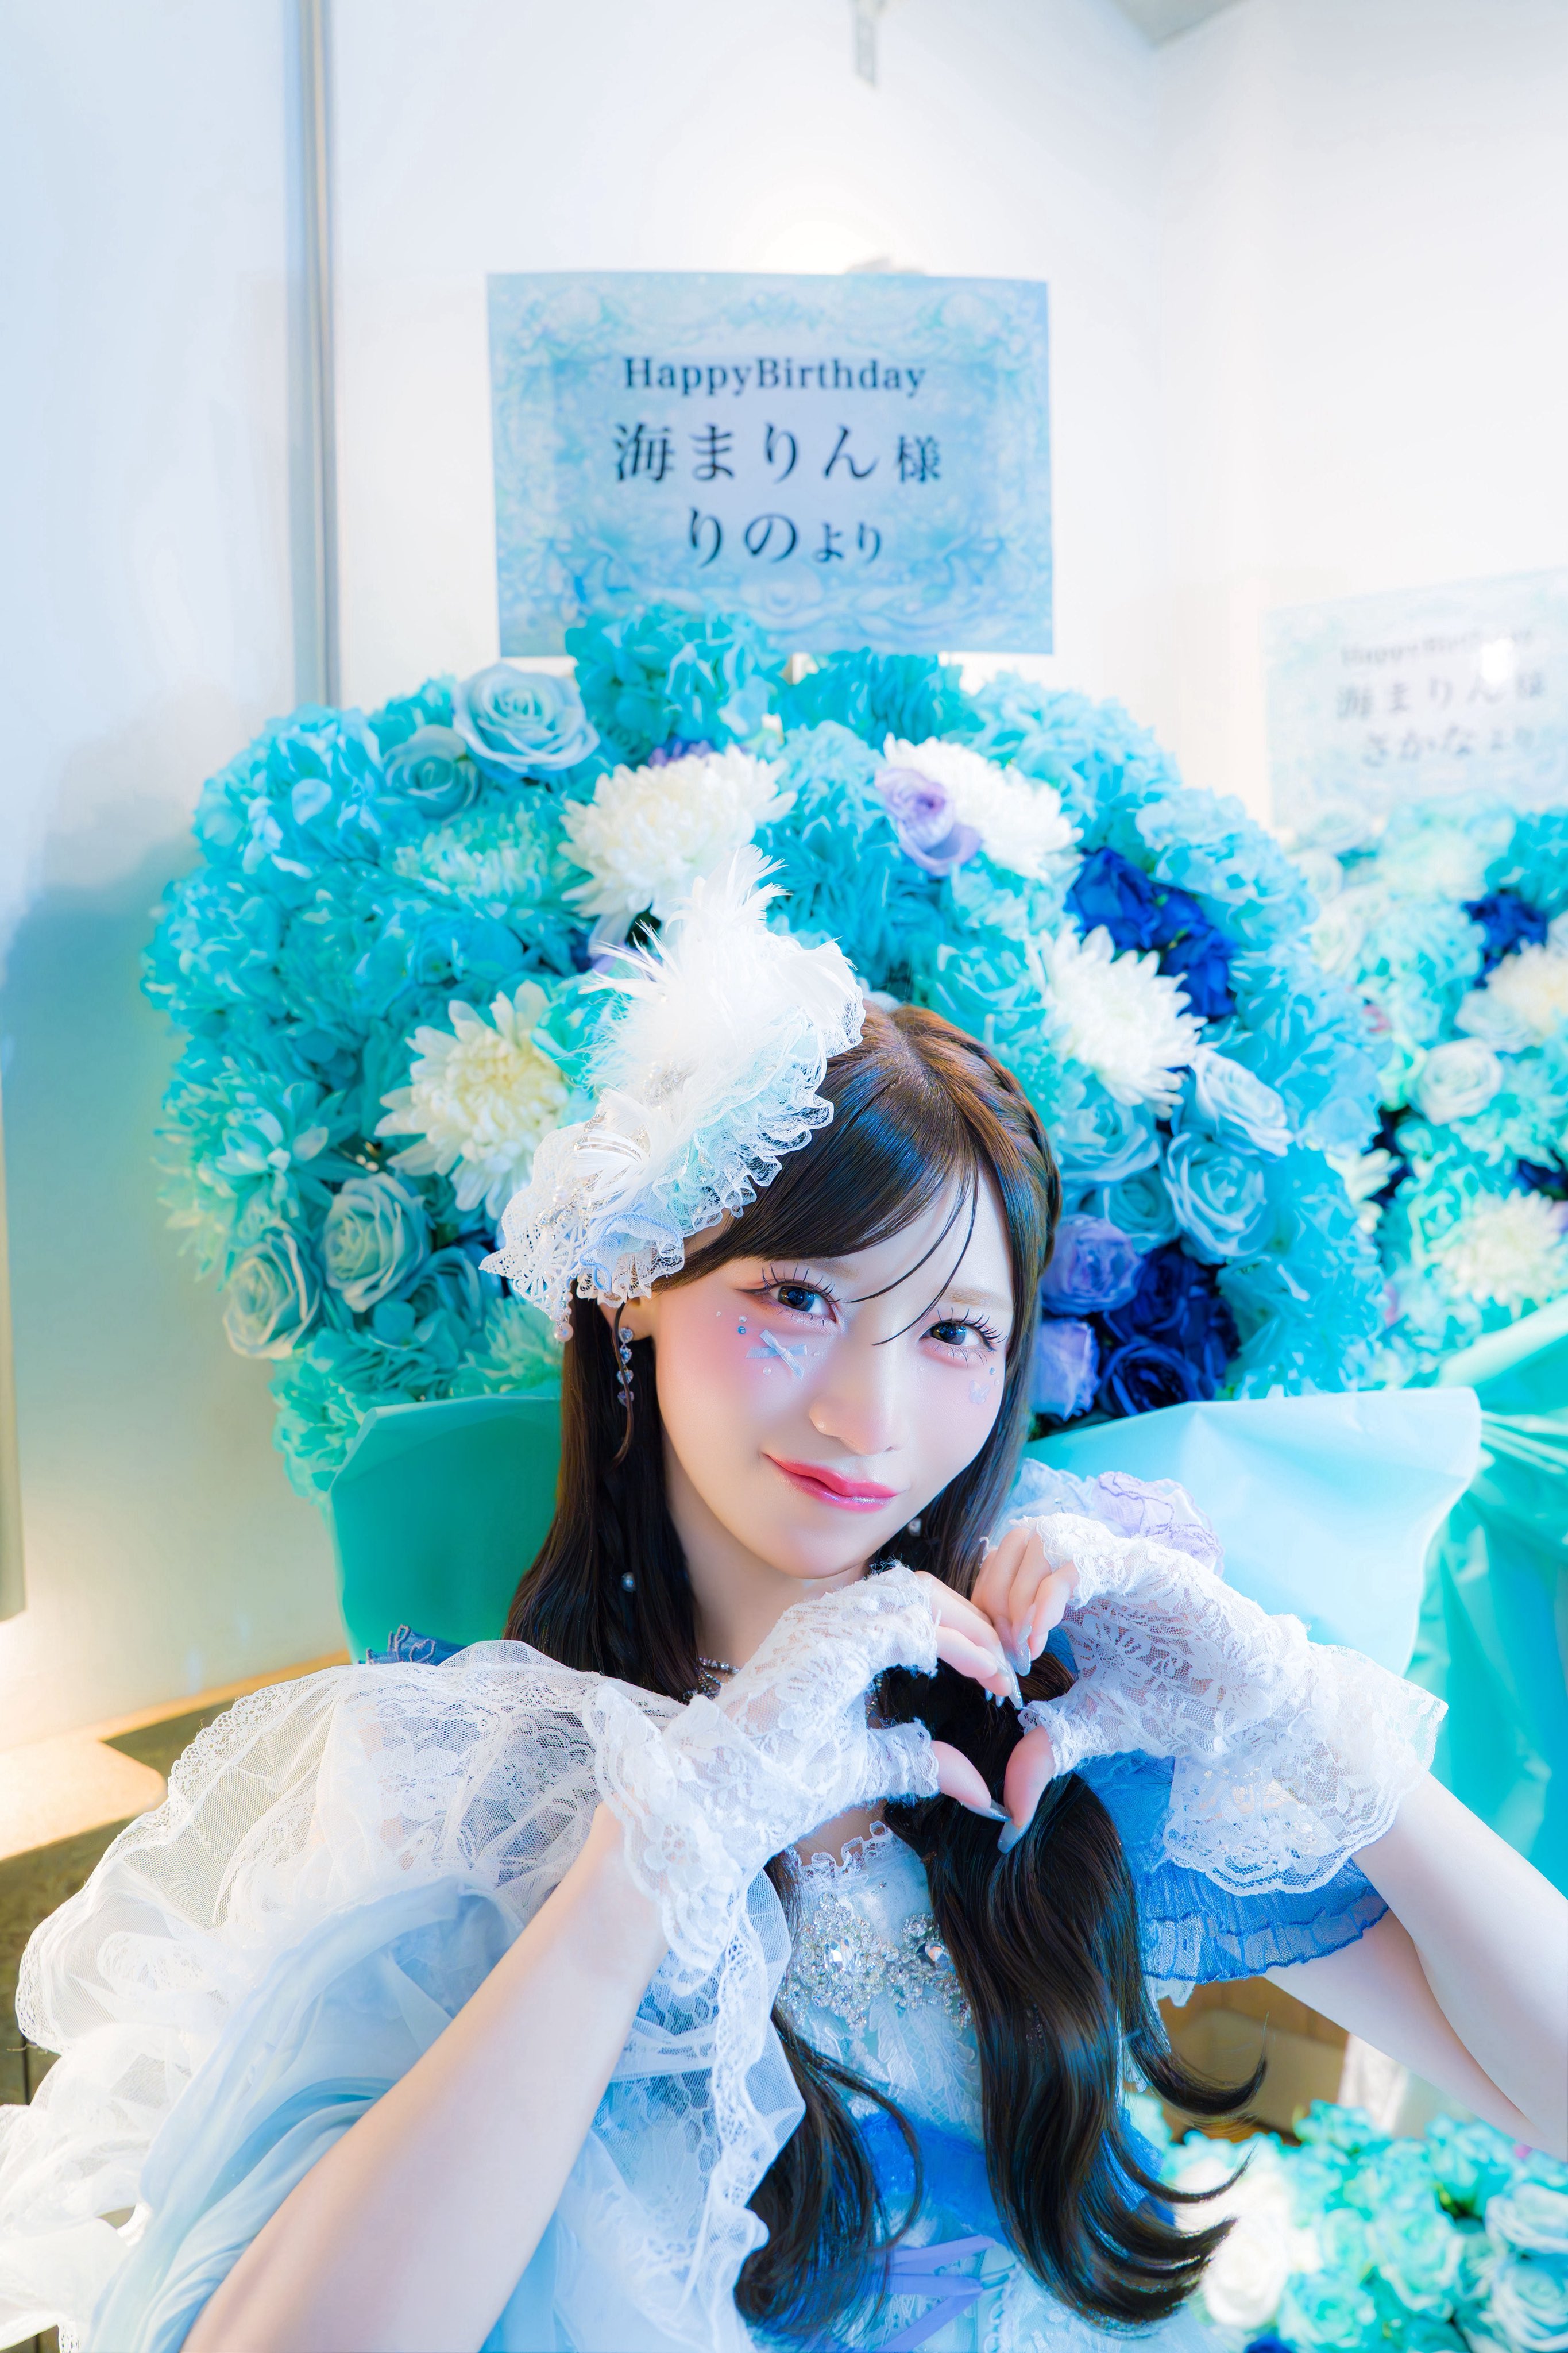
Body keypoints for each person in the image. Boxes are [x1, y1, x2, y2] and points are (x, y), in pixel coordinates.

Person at [3, 854, 1564, 2353]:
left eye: (952, 1334)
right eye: (797, 1299)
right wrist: (655, 1857)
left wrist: (1295, 1710)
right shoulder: (475, 1779)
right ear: (637, 1288)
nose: (866, 1418)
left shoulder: (1051, 1723)